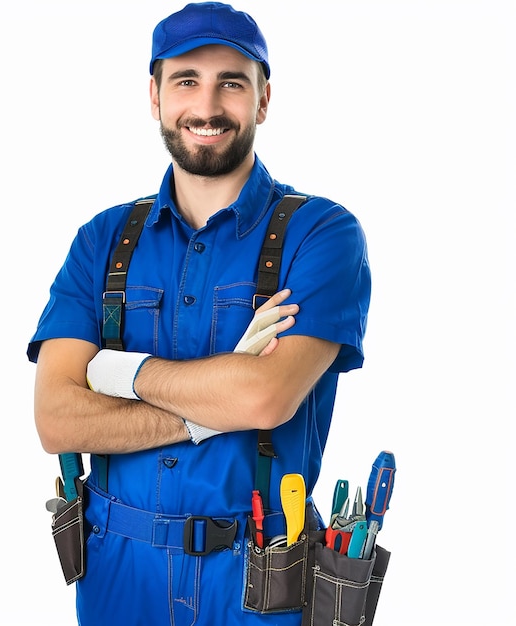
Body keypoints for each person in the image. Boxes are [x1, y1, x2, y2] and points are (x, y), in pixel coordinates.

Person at [28, 3, 371, 624]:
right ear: (154, 95)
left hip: (260, 578)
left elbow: (264, 400)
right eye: (186, 80)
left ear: (264, 99)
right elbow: (56, 418)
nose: (207, 106)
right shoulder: (100, 241)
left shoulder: (322, 234)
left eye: (232, 83)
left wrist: (117, 373)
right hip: (117, 580)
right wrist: (216, 401)